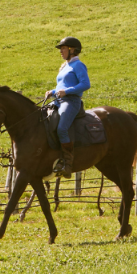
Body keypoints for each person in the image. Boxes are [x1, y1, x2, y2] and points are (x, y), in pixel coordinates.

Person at [46, 36, 90, 174]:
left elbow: (85, 84)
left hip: (71, 102)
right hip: (58, 101)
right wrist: (52, 92)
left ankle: (67, 163)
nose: (61, 51)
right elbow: (62, 86)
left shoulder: (78, 65)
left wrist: (67, 91)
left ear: (72, 50)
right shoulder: (65, 66)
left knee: (62, 129)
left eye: (63, 48)